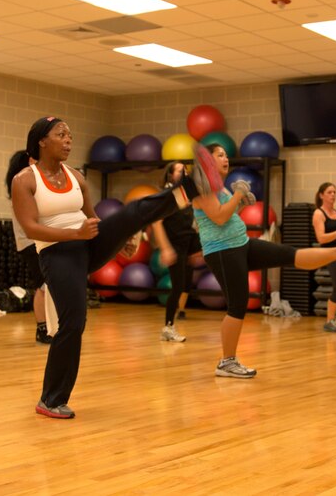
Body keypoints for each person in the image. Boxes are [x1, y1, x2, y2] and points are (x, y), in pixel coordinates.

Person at [11, 116, 217, 419]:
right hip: (57, 253)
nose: (69, 140)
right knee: (73, 323)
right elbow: (30, 228)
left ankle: (189, 187)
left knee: (133, 210)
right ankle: (51, 399)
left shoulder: (76, 176)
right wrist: (74, 234)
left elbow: (93, 219)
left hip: (86, 242)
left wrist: (118, 241)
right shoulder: (24, 180)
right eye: (61, 135)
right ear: (42, 140)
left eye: (70, 135)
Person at [194, 144, 336, 378]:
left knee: (288, 254)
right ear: (208, 162)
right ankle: (226, 362)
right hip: (223, 251)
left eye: (226, 155)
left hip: (241, 244)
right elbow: (220, 217)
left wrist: (239, 203)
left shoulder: (218, 188)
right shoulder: (201, 188)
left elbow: (224, 214)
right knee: (237, 304)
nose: (225, 159)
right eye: (219, 155)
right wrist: (239, 195)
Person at [151, 161, 203, 342]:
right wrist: (165, 249)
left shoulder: (184, 195)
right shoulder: (166, 196)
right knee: (178, 287)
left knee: (216, 243)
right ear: (170, 175)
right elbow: (156, 224)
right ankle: (168, 327)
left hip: (189, 240)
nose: (184, 173)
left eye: (185, 170)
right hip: (176, 246)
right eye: (180, 171)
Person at [5, 150, 50, 345]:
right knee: (44, 286)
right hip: (31, 244)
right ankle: (42, 329)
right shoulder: (21, 190)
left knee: (47, 287)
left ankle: (50, 327)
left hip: (38, 243)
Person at [312, 182, 336, 333]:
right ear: (321, 195)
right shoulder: (319, 214)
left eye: (334, 192)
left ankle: (334, 316)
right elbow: (321, 238)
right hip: (328, 253)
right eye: (329, 192)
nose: (333, 195)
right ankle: (330, 321)